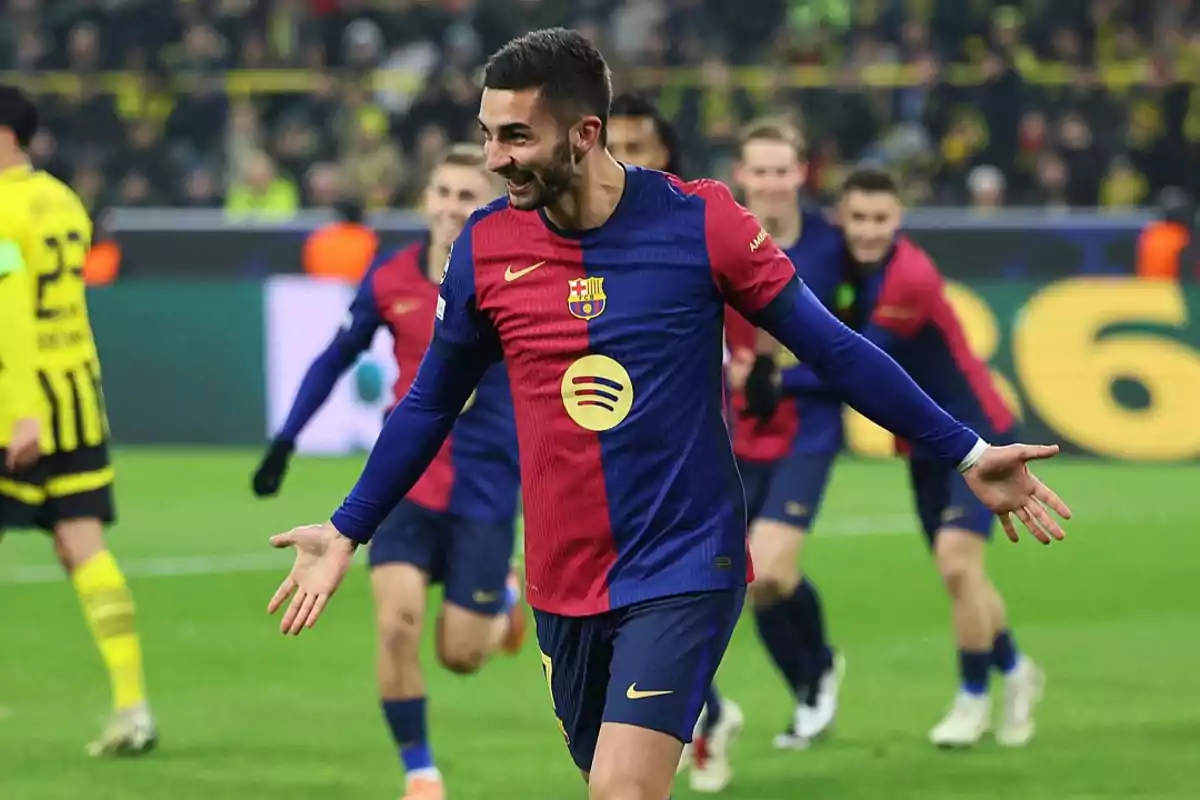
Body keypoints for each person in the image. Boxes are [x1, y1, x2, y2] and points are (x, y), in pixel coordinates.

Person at [264, 29, 1070, 800]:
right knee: (609, 781)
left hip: (685, 562)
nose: (493, 158)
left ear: (584, 133)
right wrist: (348, 528)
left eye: (515, 136)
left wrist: (966, 453)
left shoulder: (702, 222)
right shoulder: (487, 248)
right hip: (562, 579)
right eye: (487, 134)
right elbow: (431, 399)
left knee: (622, 788)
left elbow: (833, 348)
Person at [252, 144, 526, 800]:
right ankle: (420, 771)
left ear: (487, 204)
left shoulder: (514, 280)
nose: (452, 206)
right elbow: (332, 359)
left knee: (461, 655)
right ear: (425, 200)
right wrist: (285, 440)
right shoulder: (391, 279)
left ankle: (506, 600)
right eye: (443, 192)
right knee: (395, 622)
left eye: (467, 195)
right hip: (406, 485)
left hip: (487, 489)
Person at [779, 166, 1046, 748]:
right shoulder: (847, 270)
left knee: (956, 564)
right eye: (859, 219)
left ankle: (973, 700)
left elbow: (856, 364)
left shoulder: (909, 278)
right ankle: (1017, 671)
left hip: (980, 437)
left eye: (881, 219)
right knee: (961, 576)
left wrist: (774, 381)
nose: (870, 231)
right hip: (929, 447)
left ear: (899, 220)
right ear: (841, 220)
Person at [0, 85, 155, 757]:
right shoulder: (62, 199)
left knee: (80, 546)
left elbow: (11, 314)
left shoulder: (3, 209)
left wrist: (22, 413)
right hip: (76, 393)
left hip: (18, 402)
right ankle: (133, 706)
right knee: (80, 545)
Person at [606, 90, 741, 794]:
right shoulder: (563, 241)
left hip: (686, 481)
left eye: (640, 147)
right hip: (595, 499)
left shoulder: (696, 228)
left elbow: (784, 322)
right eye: (614, 145)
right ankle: (707, 712)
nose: (624, 160)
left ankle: (708, 719)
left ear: (666, 156)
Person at [725, 118, 846, 749]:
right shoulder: (717, 237)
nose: (771, 183)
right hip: (737, 430)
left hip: (808, 427)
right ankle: (810, 685)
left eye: (782, 170)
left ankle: (819, 666)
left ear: (802, 173)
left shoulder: (833, 244)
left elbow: (859, 332)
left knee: (769, 567)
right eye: (760, 171)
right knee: (750, 579)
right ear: (742, 175)